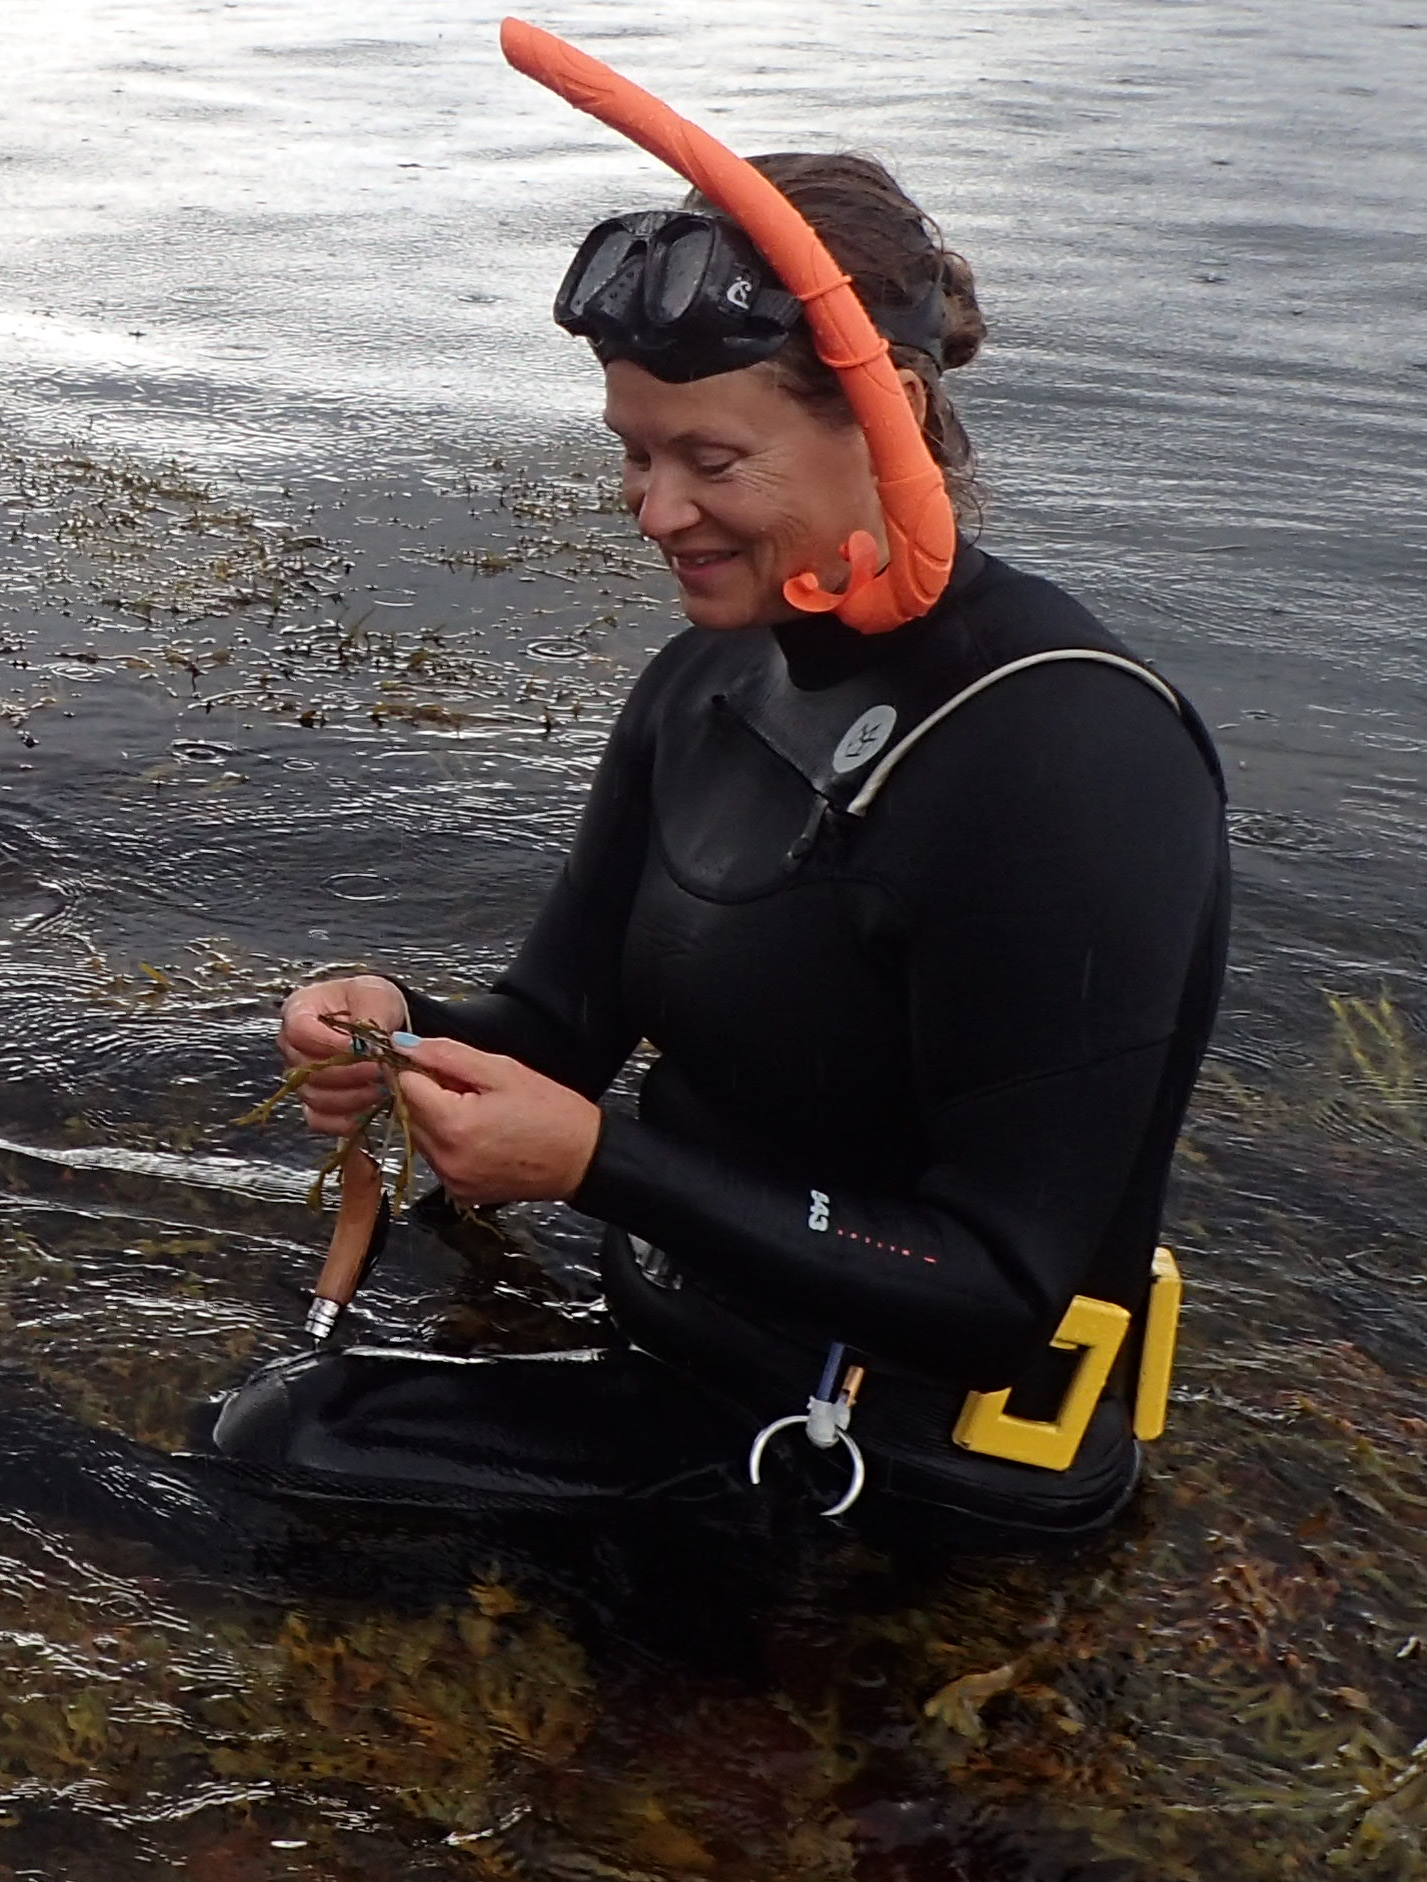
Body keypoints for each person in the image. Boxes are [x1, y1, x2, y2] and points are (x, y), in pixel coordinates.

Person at [201, 145, 1229, 1553]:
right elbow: (559, 1023)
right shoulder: (715, 679)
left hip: (906, 1463)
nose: (655, 510)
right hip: (688, 1352)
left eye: (710, 459)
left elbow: (1005, 1291)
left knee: (273, 1458)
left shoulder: (1067, 751)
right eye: (634, 451)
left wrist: (593, 1166)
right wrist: (396, 1025)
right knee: (263, 1428)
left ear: (891, 417)